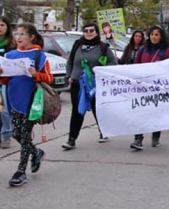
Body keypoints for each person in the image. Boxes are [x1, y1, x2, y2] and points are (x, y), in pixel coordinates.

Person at [0, 23, 53, 187]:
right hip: (13, 99)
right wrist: (2, 75)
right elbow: (6, 80)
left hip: (32, 100)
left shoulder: (39, 56)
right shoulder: (9, 55)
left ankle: (20, 171)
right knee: (16, 133)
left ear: (31, 37)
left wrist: (36, 74)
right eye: (16, 34)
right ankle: (36, 152)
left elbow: (49, 78)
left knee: (24, 134)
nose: (18, 37)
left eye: (22, 34)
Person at [62, 23, 117, 150]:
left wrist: (98, 70)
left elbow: (112, 62)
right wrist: (69, 76)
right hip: (77, 84)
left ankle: (103, 130)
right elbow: (70, 62)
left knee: (97, 108)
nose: (88, 32)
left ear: (97, 32)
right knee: (77, 111)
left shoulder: (103, 47)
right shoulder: (77, 45)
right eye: (85, 30)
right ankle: (72, 139)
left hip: (94, 84)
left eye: (91, 30)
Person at [130, 26, 169, 150]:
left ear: (161, 36)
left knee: (156, 113)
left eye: (157, 35)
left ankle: (156, 136)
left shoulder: (166, 51)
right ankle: (138, 139)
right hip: (143, 87)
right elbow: (136, 66)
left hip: (158, 88)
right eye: (152, 34)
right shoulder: (143, 49)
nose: (154, 37)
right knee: (140, 113)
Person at [0, 16, 16, 149]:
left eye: (2, 25)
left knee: (4, 109)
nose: (0, 28)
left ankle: (6, 134)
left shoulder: (12, 44)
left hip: (7, 80)